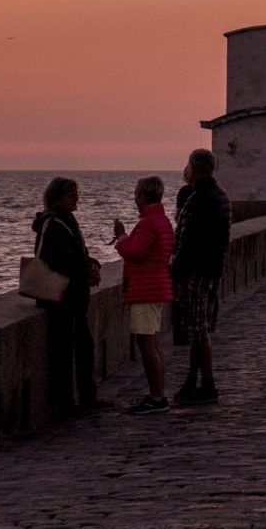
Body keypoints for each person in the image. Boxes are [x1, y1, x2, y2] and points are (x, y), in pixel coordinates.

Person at [32, 177, 112, 414]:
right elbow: (56, 260)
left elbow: (79, 254)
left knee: (84, 346)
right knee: (64, 350)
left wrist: (92, 264)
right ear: (56, 198)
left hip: (75, 297)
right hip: (61, 298)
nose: (76, 198)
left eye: (77, 193)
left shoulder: (68, 220)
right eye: (70, 194)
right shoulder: (52, 223)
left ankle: (87, 397)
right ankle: (66, 402)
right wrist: (86, 269)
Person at [171, 148, 231, 406]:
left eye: (188, 165)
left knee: (197, 330)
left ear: (194, 168)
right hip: (211, 269)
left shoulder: (199, 199)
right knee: (200, 328)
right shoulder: (220, 195)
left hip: (196, 272)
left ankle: (207, 384)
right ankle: (193, 381)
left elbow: (188, 242)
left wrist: (176, 273)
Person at [113, 175, 174, 415]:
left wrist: (121, 236)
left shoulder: (148, 223)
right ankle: (157, 394)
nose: (135, 200)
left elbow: (136, 253)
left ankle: (157, 397)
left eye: (136, 196)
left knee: (147, 345)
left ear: (142, 196)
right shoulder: (163, 220)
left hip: (146, 290)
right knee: (153, 345)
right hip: (155, 287)